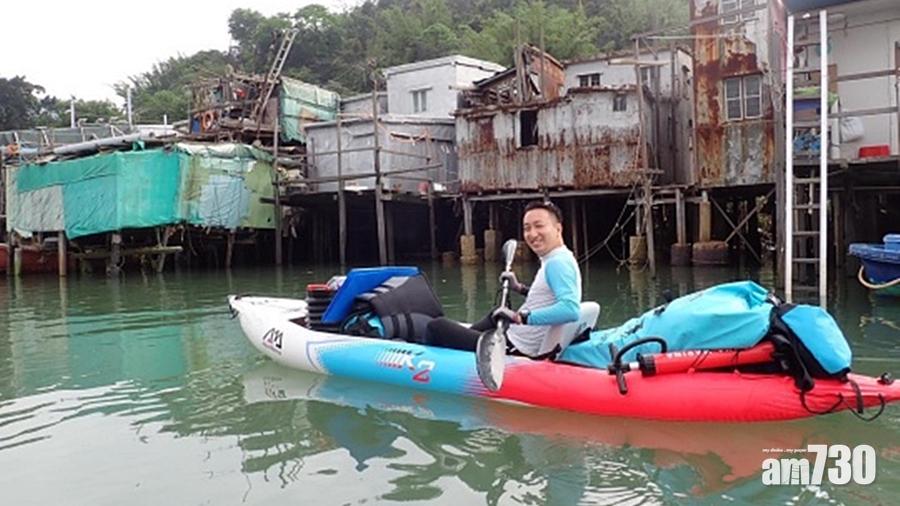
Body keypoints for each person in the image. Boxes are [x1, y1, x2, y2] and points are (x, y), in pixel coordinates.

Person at [425, 200, 582, 357]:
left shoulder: (557, 263)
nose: (532, 234)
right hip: (515, 335)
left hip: (513, 348)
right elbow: (548, 297)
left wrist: (519, 317)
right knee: (496, 314)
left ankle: (435, 356)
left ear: (558, 229)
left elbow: (570, 309)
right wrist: (519, 288)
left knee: (436, 326)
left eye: (539, 226)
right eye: (527, 228)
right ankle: (463, 342)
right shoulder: (559, 257)